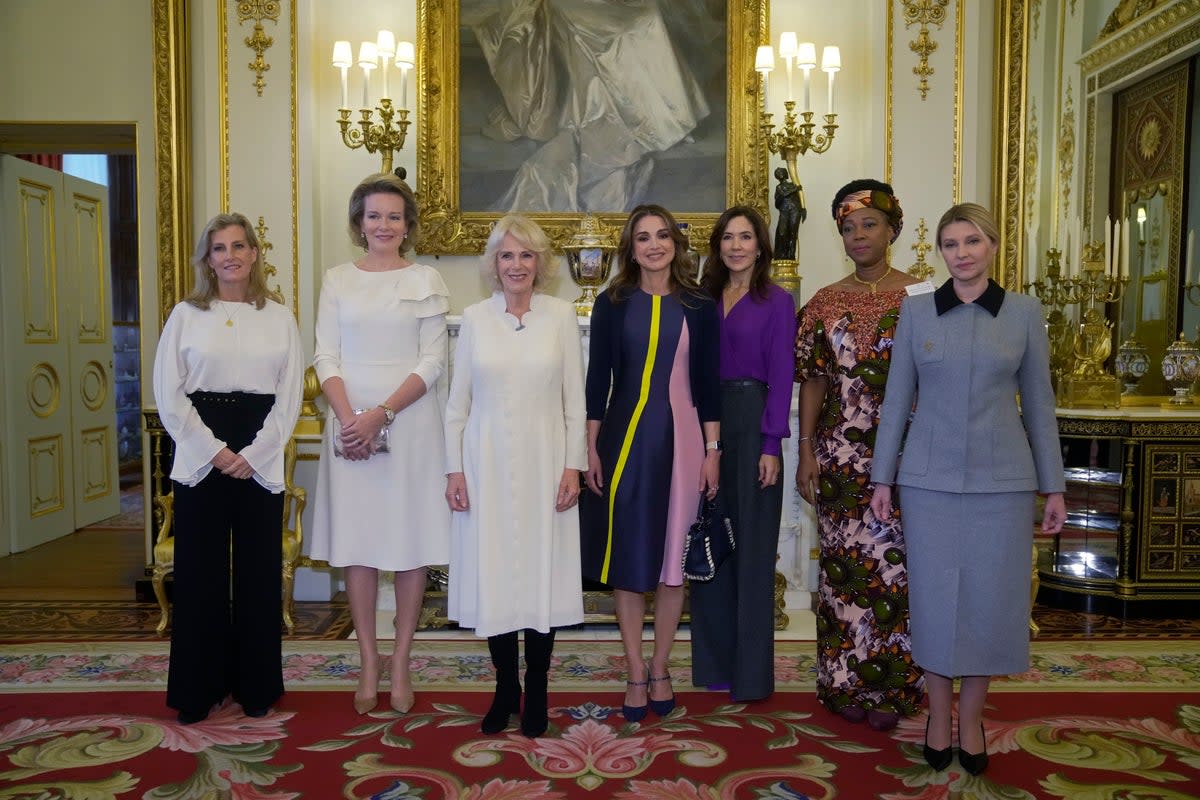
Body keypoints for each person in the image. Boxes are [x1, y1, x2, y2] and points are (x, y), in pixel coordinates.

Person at [869, 202, 1066, 775]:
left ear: (993, 246)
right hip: (927, 483)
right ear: (941, 254)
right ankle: (936, 716)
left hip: (1003, 485)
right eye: (951, 244)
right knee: (933, 602)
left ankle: (973, 719)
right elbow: (896, 402)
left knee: (988, 603)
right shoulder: (919, 313)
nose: (961, 253)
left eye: (972, 242)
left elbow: (1042, 409)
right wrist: (883, 477)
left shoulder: (1026, 313)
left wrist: (1053, 487)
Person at [152, 212, 303, 724]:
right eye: (220, 248)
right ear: (208, 258)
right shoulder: (186, 315)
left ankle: (256, 686)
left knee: (259, 573)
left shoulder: (280, 316)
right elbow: (167, 392)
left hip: (259, 449)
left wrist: (254, 454)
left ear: (255, 254)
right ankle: (200, 688)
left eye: (240, 246)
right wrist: (213, 451)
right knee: (200, 575)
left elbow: (290, 397)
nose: (231, 256)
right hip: (200, 446)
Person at [310, 172, 451, 716]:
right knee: (362, 544)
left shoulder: (428, 278)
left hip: (410, 425)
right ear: (358, 223)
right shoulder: (337, 280)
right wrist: (352, 420)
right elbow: (325, 356)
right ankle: (369, 658)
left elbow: (433, 362)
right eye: (374, 216)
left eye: (394, 216)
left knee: (410, 543)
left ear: (408, 224)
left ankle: (402, 659)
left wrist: (382, 415)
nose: (384, 225)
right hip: (349, 426)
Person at [444, 214, 587, 738]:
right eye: (507, 255)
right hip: (484, 466)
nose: (517, 265)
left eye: (526, 255)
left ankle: (540, 687)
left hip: (548, 465)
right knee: (496, 575)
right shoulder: (475, 318)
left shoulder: (561, 315)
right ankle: (506, 687)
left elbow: (576, 401)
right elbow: (456, 404)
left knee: (541, 575)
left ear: (541, 264)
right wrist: (453, 469)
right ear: (494, 265)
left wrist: (573, 465)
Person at [794, 179, 926, 731]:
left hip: (906, 458)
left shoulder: (923, 297)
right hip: (839, 462)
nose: (858, 236)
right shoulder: (824, 301)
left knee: (897, 575)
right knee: (844, 574)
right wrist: (805, 451)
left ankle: (894, 690)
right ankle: (844, 681)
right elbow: (814, 382)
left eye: (869, 224)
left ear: (892, 228)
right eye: (848, 228)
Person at [580, 203, 720, 721]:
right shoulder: (612, 302)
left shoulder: (700, 305)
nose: (654, 245)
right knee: (630, 558)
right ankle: (635, 668)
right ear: (631, 248)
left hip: (685, 443)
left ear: (676, 244)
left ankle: (661, 667)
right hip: (625, 442)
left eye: (663, 235)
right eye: (643, 238)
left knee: (671, 560)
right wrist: (591, 446)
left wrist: (713, 451)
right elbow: (599, 380)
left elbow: (707, 384)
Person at [690, 206, 795, 702]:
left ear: (760, 246)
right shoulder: (701, 299)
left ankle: (752, 676)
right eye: (727, 237)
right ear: (718, 246)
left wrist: (772, 443)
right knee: (711, 541)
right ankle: (714, 666)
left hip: (754, 425)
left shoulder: (777, 300)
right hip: (704, 427)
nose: (735, 246)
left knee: (752, 550)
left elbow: (782, 374)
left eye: (745, 237)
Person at [773, 167, 804, 261]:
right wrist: (795, 189)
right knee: (782, 232)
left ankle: (791, 256)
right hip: (784, 211)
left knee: (793, 233)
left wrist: (803, 209)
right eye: (777, 173)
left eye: (781, 172)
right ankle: (781, 254)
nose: (780, 174)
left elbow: (799, 199)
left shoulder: (793, 184)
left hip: (795, 210)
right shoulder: (779, 187)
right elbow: (782, 196)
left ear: (785, 173)